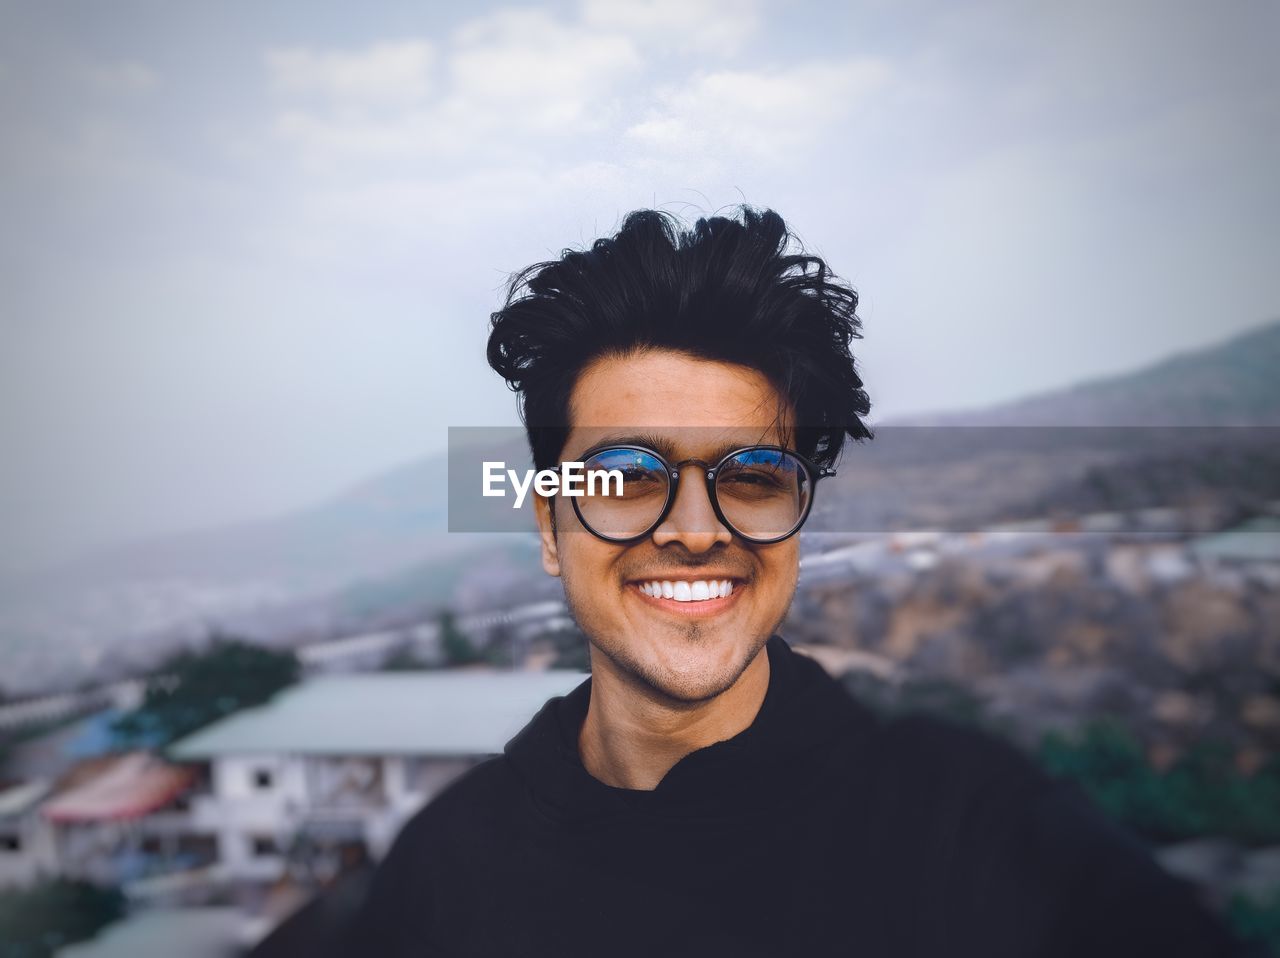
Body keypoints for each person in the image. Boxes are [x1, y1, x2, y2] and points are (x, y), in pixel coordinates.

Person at [341, 208, 1250, 956]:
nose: (697, 531)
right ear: (550, 523)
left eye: (750, 477)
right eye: (626, 478)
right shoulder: (446, 869)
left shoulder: (978, 835)